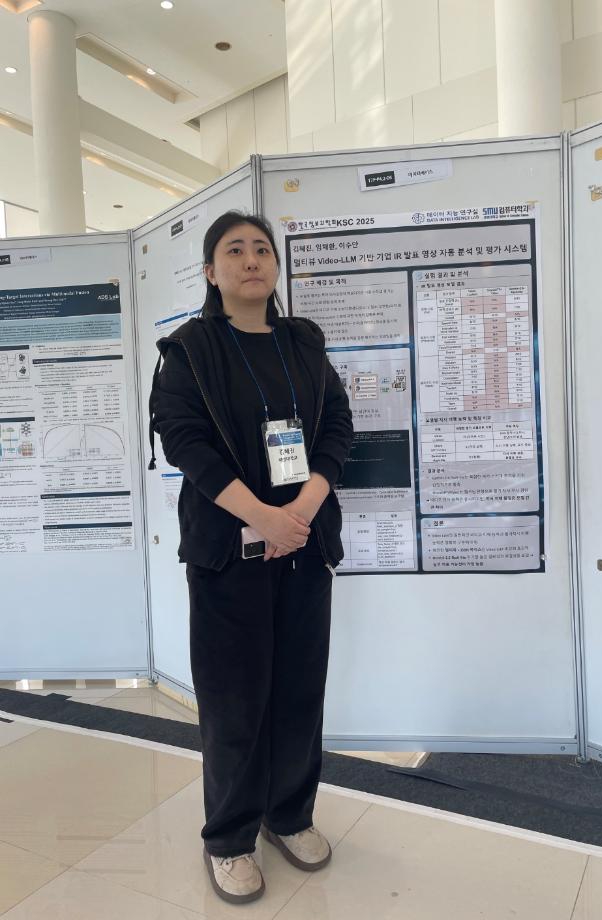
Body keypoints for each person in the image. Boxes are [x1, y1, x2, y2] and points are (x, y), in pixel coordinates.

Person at [148, 210, 353, 904]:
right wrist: (263, 516)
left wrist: (303, 509)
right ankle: (230, 837)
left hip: (303, 546)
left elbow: (338, 427)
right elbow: (185, 442)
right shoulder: (191, 349)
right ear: (211, 272)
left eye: (262, 249)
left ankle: (288, 814)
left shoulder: (303, 342)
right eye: (234, 250)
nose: (251, 260)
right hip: (229, 551)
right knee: (235, 700)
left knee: (299, 690)